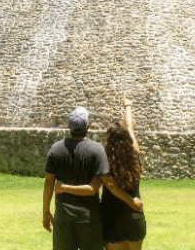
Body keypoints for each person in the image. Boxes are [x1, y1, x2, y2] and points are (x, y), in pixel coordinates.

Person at [43, 106, 142, 250]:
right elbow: (107, 183)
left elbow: (48, 184)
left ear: (69, 126)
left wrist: (46, 212)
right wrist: (131, 201)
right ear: (87, 127)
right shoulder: (96, 150)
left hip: (63, 217)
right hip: (89, 219)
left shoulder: (55, 149)